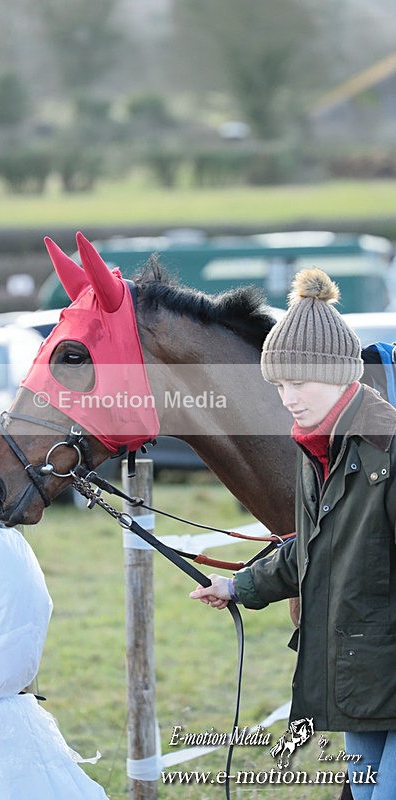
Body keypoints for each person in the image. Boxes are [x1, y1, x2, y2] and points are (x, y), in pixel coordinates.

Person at [190, 268, 396, 799]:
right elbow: (311, 547)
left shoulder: (387, 450)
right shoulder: (316, 451)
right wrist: (240, 587)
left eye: (299, 382)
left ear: (343, 375)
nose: (288, 398)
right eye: (279, 385)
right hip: (361, 675)